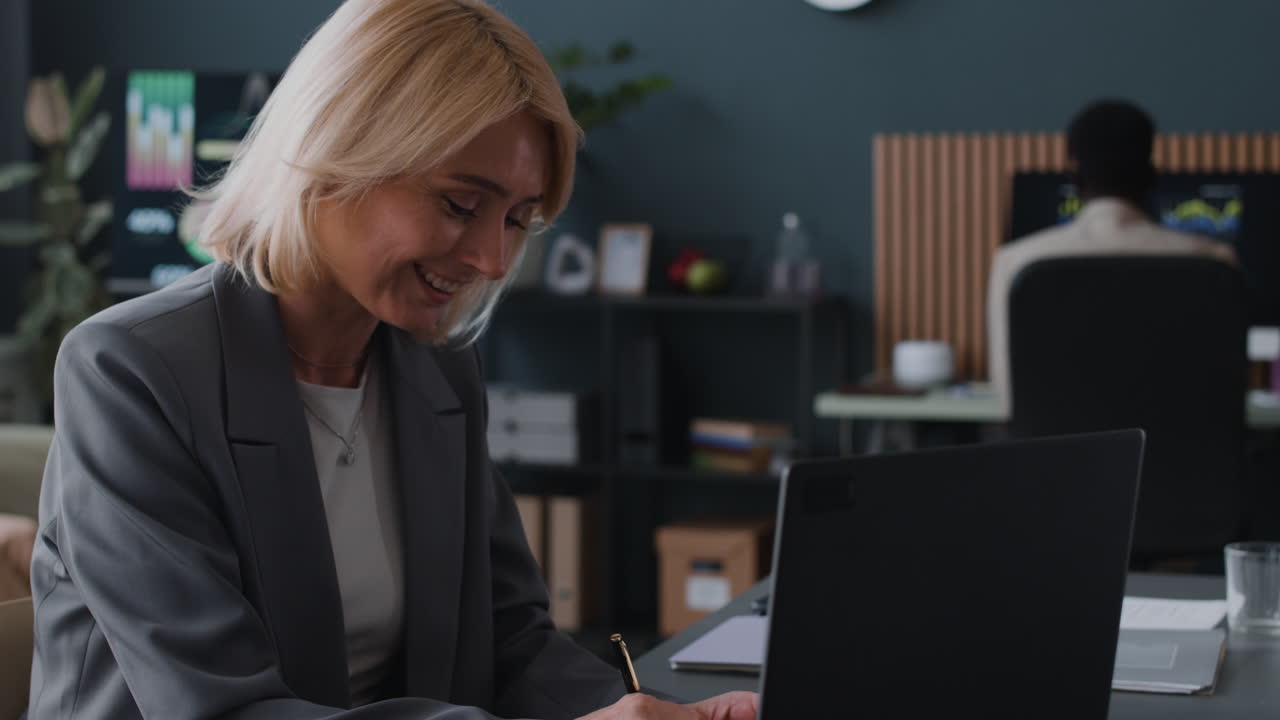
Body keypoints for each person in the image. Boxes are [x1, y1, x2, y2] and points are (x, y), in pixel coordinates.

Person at [27, 1, 757, 718]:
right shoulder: (128, 371)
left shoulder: (438, 372)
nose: (494, 261)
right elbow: (217, 707)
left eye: (516, 220)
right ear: (339, 154)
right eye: (460, 204)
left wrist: (629, 709)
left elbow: (512, 639)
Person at [986, 99, 1236, 412]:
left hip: (1063, 460)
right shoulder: (1214, 260)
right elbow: (1222, 393)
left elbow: (1008, 394)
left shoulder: (1015, 261)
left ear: (1074, 175)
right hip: (1185, 457)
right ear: (1151, 175)